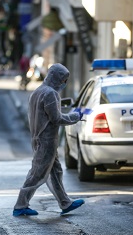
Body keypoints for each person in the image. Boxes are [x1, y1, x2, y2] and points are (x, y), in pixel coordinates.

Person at [13, 63, 84, 216]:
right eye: (64, 79)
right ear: (58, 78)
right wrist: (75, 117)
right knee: (37, 174)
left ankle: (65, 202)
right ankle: (20, 205)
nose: (64, 82)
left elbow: (45, 110)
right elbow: (56, 118)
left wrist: (61, 103)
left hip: (40, 138)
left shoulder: (38, 91)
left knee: (55, 172)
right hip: (47, 141)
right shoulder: (51, 94)